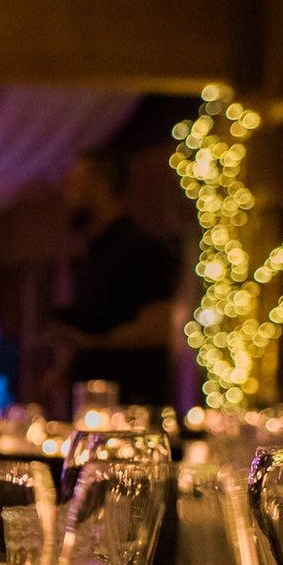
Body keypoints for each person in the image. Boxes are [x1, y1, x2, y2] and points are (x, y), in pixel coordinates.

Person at [47, 149, 180, 407]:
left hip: (131, 410)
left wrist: (93, 344)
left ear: (102, 185)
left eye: (74, 182)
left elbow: (160, 327)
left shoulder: (140, 250)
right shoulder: (93, 255)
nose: (66, 193)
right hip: (94, 409)